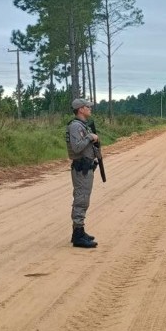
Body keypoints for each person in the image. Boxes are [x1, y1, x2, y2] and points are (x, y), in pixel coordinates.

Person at [66, 98, 99, 248]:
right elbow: (77, 147)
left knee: (84, 199)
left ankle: (79, 231)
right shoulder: (75, 126)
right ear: (80, 109)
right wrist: (89, 137)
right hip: (81, 169)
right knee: (81, 199)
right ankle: (78, 234)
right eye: (87, 107)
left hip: (86, 167)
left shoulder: (83, 126)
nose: (90, 109)